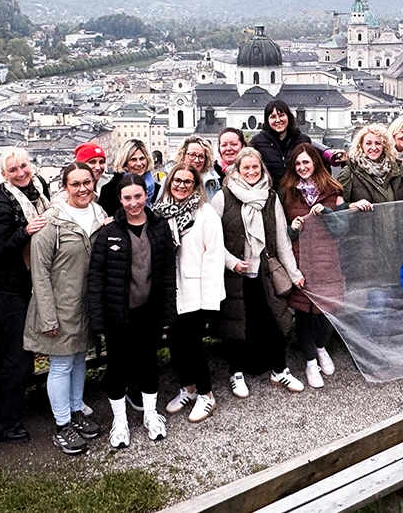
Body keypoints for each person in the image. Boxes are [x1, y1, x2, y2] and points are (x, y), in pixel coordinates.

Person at [87, 173, 178, 448]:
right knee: (118, 366)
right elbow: (96, 277)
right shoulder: (109, 231)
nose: (133, 202)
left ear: (146, 195)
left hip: (148, 310)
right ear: (120, 199)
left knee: (148, 362)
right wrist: (99, 318)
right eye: (127, 197)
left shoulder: (159, 227)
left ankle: (150, 414)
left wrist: (167, 312)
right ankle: (120, 420)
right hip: (119, 312)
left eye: (138, 196)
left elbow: (166, 273)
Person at [24, 161, 107, 456]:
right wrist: (47, 315)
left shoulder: (99, 214)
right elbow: (40, 272)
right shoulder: (51, 222)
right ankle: (62, 426)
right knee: (60, 365)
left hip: (85, 304)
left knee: (78, 360)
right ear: (64, 187)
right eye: (75, 184)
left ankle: (75, 412)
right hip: (59, 306)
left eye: (87, 182)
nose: (83, 188)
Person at [212, 147, 305, 397]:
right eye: (246, 168)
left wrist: (294, 274)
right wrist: (232, 262)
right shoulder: (223, 197)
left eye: (256, 167)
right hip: (234, 274)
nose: (252, 172)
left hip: (263, 271)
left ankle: (280, 370)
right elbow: (211, 240)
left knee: (274, 320)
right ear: (237, 170)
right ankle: (236, 373)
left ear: (261, 168)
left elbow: (281, 239)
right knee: (236, 325)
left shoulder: (270, 197)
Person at [0, 147, 51, 444]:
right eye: (13, 170)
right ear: (3, 175)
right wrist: (26, 231)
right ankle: (2, 424)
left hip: (29, 283)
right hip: (11, 289)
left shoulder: (39, 188)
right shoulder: (0, 203)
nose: (21, 173)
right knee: (17, 358)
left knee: (6, 358)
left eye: (24, 166)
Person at [154, 163, 225, 422]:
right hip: (170, 291)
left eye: (187, 181)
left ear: (196, 186)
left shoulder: (205, 214)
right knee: (175, 344)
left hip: (195, 291)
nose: (181, 185)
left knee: (193, 346)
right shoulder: (160, 213)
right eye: (177, 180)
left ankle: (206, 395)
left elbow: (214, 258)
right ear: (169, 182)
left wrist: (208, 302)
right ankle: (189, 388)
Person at [278, 145, 348, 388]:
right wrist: (292, 229)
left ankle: (320, 348)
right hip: (300, 261)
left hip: (327, 261)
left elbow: (343, 229)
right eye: (297, 164)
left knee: (326, 311)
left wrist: (327, 213)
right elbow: (282, 235)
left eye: (306, 163)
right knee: (303, 314)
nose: (302, 168)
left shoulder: (333, 191)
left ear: (316, 163)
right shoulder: (287, 194)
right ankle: (309, 361)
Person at [338, 124, 403, 209]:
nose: (373, 147)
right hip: (363, 222)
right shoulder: (350, 171)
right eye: (368, 143)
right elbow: (336, 206)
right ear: (361, 146)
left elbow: (402, 206)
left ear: (384, 146)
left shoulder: (394, 169)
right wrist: (352, 205)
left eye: (378, 143)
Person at [249, 99, 312, 186]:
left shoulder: (302, 140)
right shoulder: (258, 142)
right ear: (267, 120)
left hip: (297, 193)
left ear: (288, 117)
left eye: (281, 115)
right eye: (273, 117)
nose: (278, 120)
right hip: (270, 194)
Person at [99, 139, 160, 215]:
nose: (139, 163)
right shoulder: (109, 191)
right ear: (124, 163)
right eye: (133, 159)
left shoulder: (158, 189)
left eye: (142, 158)